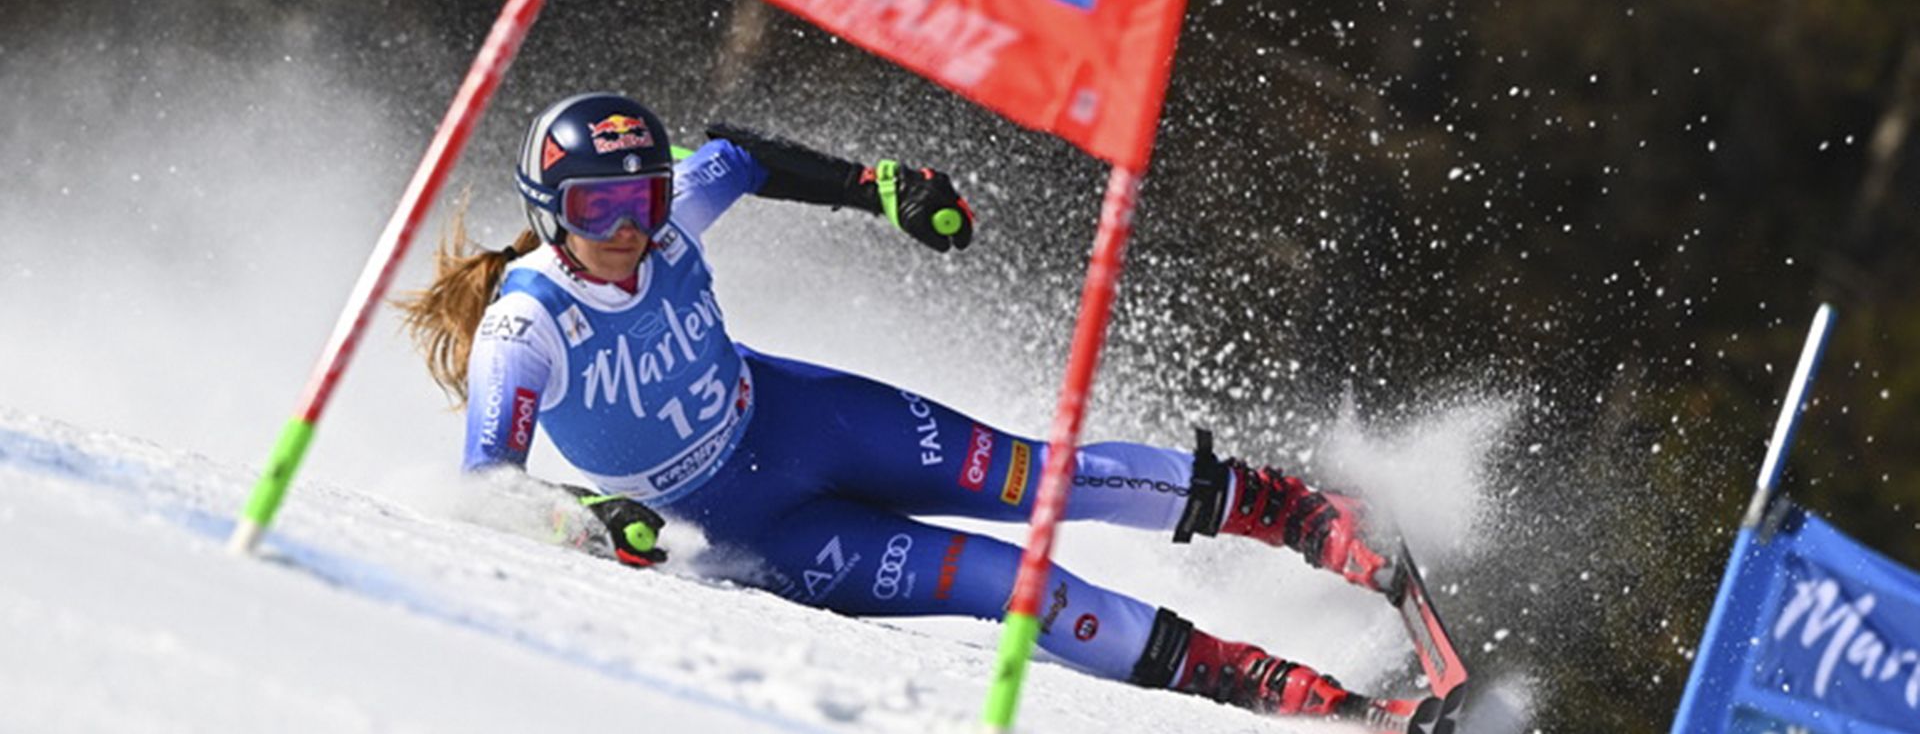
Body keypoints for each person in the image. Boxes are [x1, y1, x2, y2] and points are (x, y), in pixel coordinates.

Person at [398, 92, 1429, 727]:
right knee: (1013, 585)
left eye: (644, 200)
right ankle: (1280, 689)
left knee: (1038, 477)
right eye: (599, 209)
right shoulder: (525, 328)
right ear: (551, 214)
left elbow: (736, 156)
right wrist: (588, 514)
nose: (630, 228)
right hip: (757, 529)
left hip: (802, 418)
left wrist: (878, 186)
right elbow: (483, 485)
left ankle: (1292, 513)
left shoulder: (669, 215)